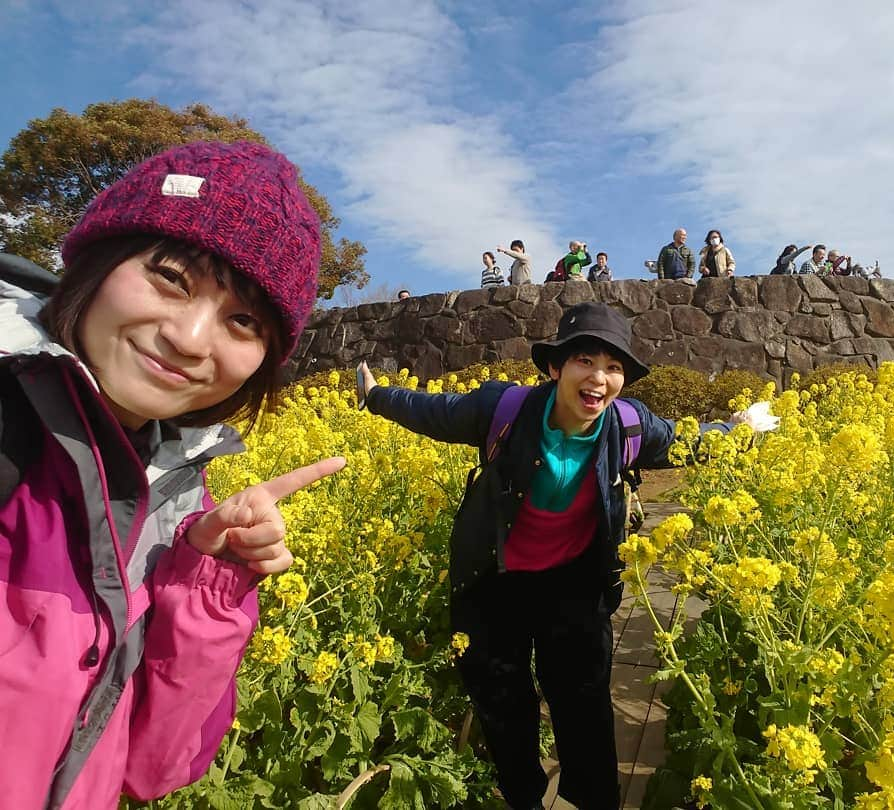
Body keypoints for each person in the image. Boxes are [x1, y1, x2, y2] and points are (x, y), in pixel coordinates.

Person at [0, 141, 345, 809]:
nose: (190, 338)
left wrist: (206, 584)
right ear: (98, 264)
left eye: (242, 321)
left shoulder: (180, 492)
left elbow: (151, 767)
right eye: (170, 277)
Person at [357, 302, 775, 810]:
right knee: (505, 710)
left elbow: (692, 442)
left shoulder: (629, 426)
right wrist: (375, 396)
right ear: (554, 368)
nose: (600, 378)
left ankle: (593, 802)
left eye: (615, 367)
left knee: (585, 710)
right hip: (495, 582)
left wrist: (739, 431)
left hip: (574, 584)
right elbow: (434, 411)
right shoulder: (503, 410)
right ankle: (526, 799)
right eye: (585, 361)